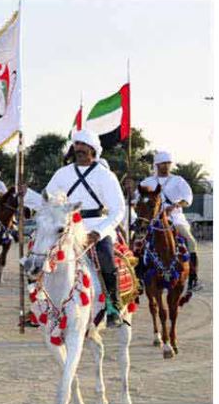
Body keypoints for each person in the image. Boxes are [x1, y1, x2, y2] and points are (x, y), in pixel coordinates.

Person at [38, 129, 127, 327]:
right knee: (39, 253)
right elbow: (47, 198)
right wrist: (25, 196)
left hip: (96, 225)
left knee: (105, 257)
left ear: (93, 149)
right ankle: (40, 304)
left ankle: (113, 305)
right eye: (77, 145)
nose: (79, 149)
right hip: (68, 225)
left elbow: (118, 209)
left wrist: (100, 232)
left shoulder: (106, 176)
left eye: (83, 146)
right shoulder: (62, 173)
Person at [139, 150, 201, 290]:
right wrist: (131, 191)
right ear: (156, 165)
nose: (166, 166)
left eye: (168, 163)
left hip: (175, 218)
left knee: (191, 242)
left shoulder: (178, 180)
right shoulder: (148, 181)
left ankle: (193, 278)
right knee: (139, 243)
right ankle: (139, 276)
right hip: (154, 220)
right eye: (162, 163)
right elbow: (139, 198)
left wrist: (176, 205)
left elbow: (187, 199)